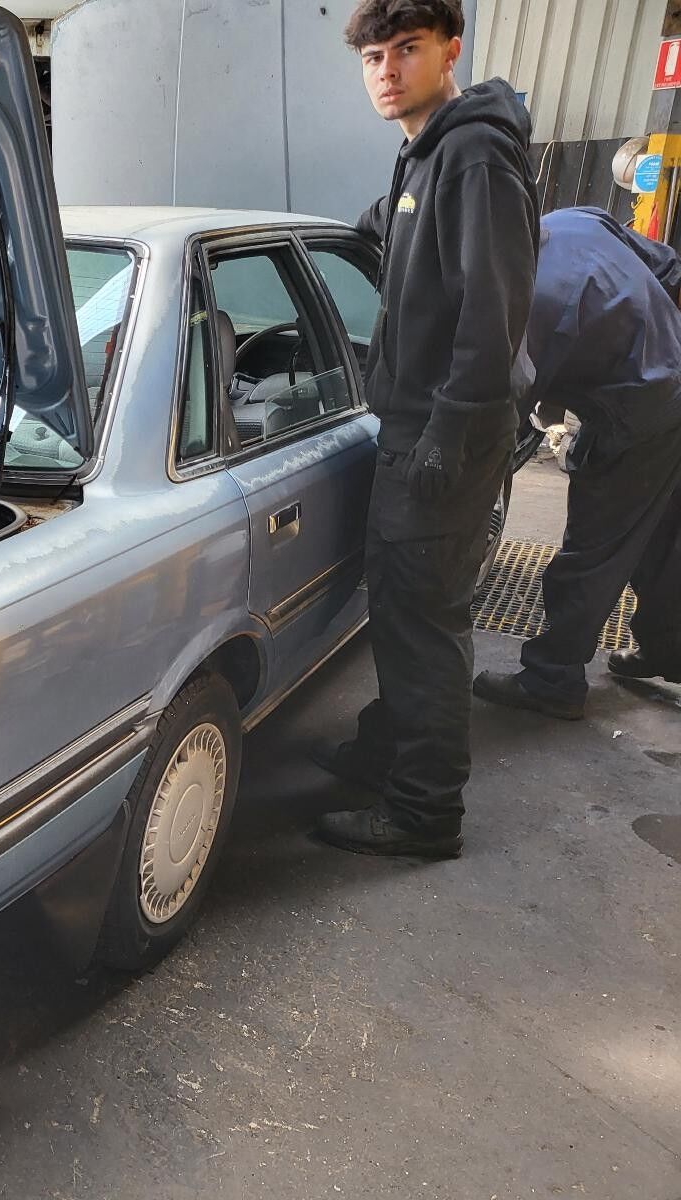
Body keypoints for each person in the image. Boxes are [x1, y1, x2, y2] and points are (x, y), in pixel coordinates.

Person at [311, 0, 538, 859]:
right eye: (373, 57)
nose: (387, 70)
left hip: (447, 431)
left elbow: (494, 304)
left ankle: (424, 814)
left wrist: (452, 426)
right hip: (422, 422)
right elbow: (406, 222)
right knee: (404, 607)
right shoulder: (426, 151)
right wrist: (365, 229)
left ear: (451, 51)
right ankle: (389, 751)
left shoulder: (473, 151)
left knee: (424, 619)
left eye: (406, 49)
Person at [472, 207, 681, 719]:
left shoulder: (525, 305)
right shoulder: (576, 220)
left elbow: (497, 421)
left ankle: (553, 679)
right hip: (670, 387)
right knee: (661, 537)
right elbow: (670, 269)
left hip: (637, 413)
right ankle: (667, 650)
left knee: (592, 549)